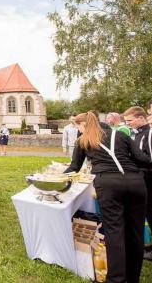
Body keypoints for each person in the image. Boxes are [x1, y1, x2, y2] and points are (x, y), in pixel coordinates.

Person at [65, 111, 151, 283]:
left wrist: (56, 178)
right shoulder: (120, 134)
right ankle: (133, 277)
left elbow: (74, 168)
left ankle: (116, 279)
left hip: (108, 185)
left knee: (114, 232)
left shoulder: (83, 140)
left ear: (83, 125)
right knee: (135, 232)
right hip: (135, 183)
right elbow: (144, 159)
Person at [123, 106, 152, 261]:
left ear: (141, 118)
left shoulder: (149, 134)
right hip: (141, 177)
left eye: (130, 120)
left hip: (148, 178)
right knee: (148, 212)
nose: (127, 124)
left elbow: (148, 158)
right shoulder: (137, 134)